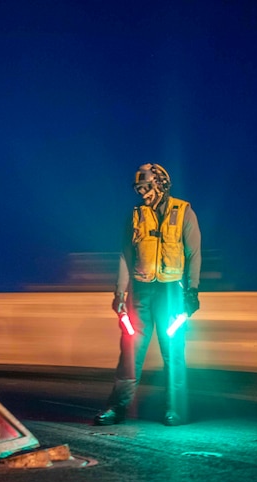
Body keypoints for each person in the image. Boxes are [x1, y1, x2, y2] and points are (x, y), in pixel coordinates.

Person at [94, 163, 202, 427]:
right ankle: (116, 409)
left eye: (147, 186)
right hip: (139, 294)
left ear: (161, 183)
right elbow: (125, 255)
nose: (142, 192)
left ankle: (176, 411)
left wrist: (193, 290)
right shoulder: (135, 215)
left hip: (171, 294)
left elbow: (194, 254)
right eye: (139, 188)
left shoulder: (183, 211)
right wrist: (120, 292)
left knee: (173, 354)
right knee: (129, 353)